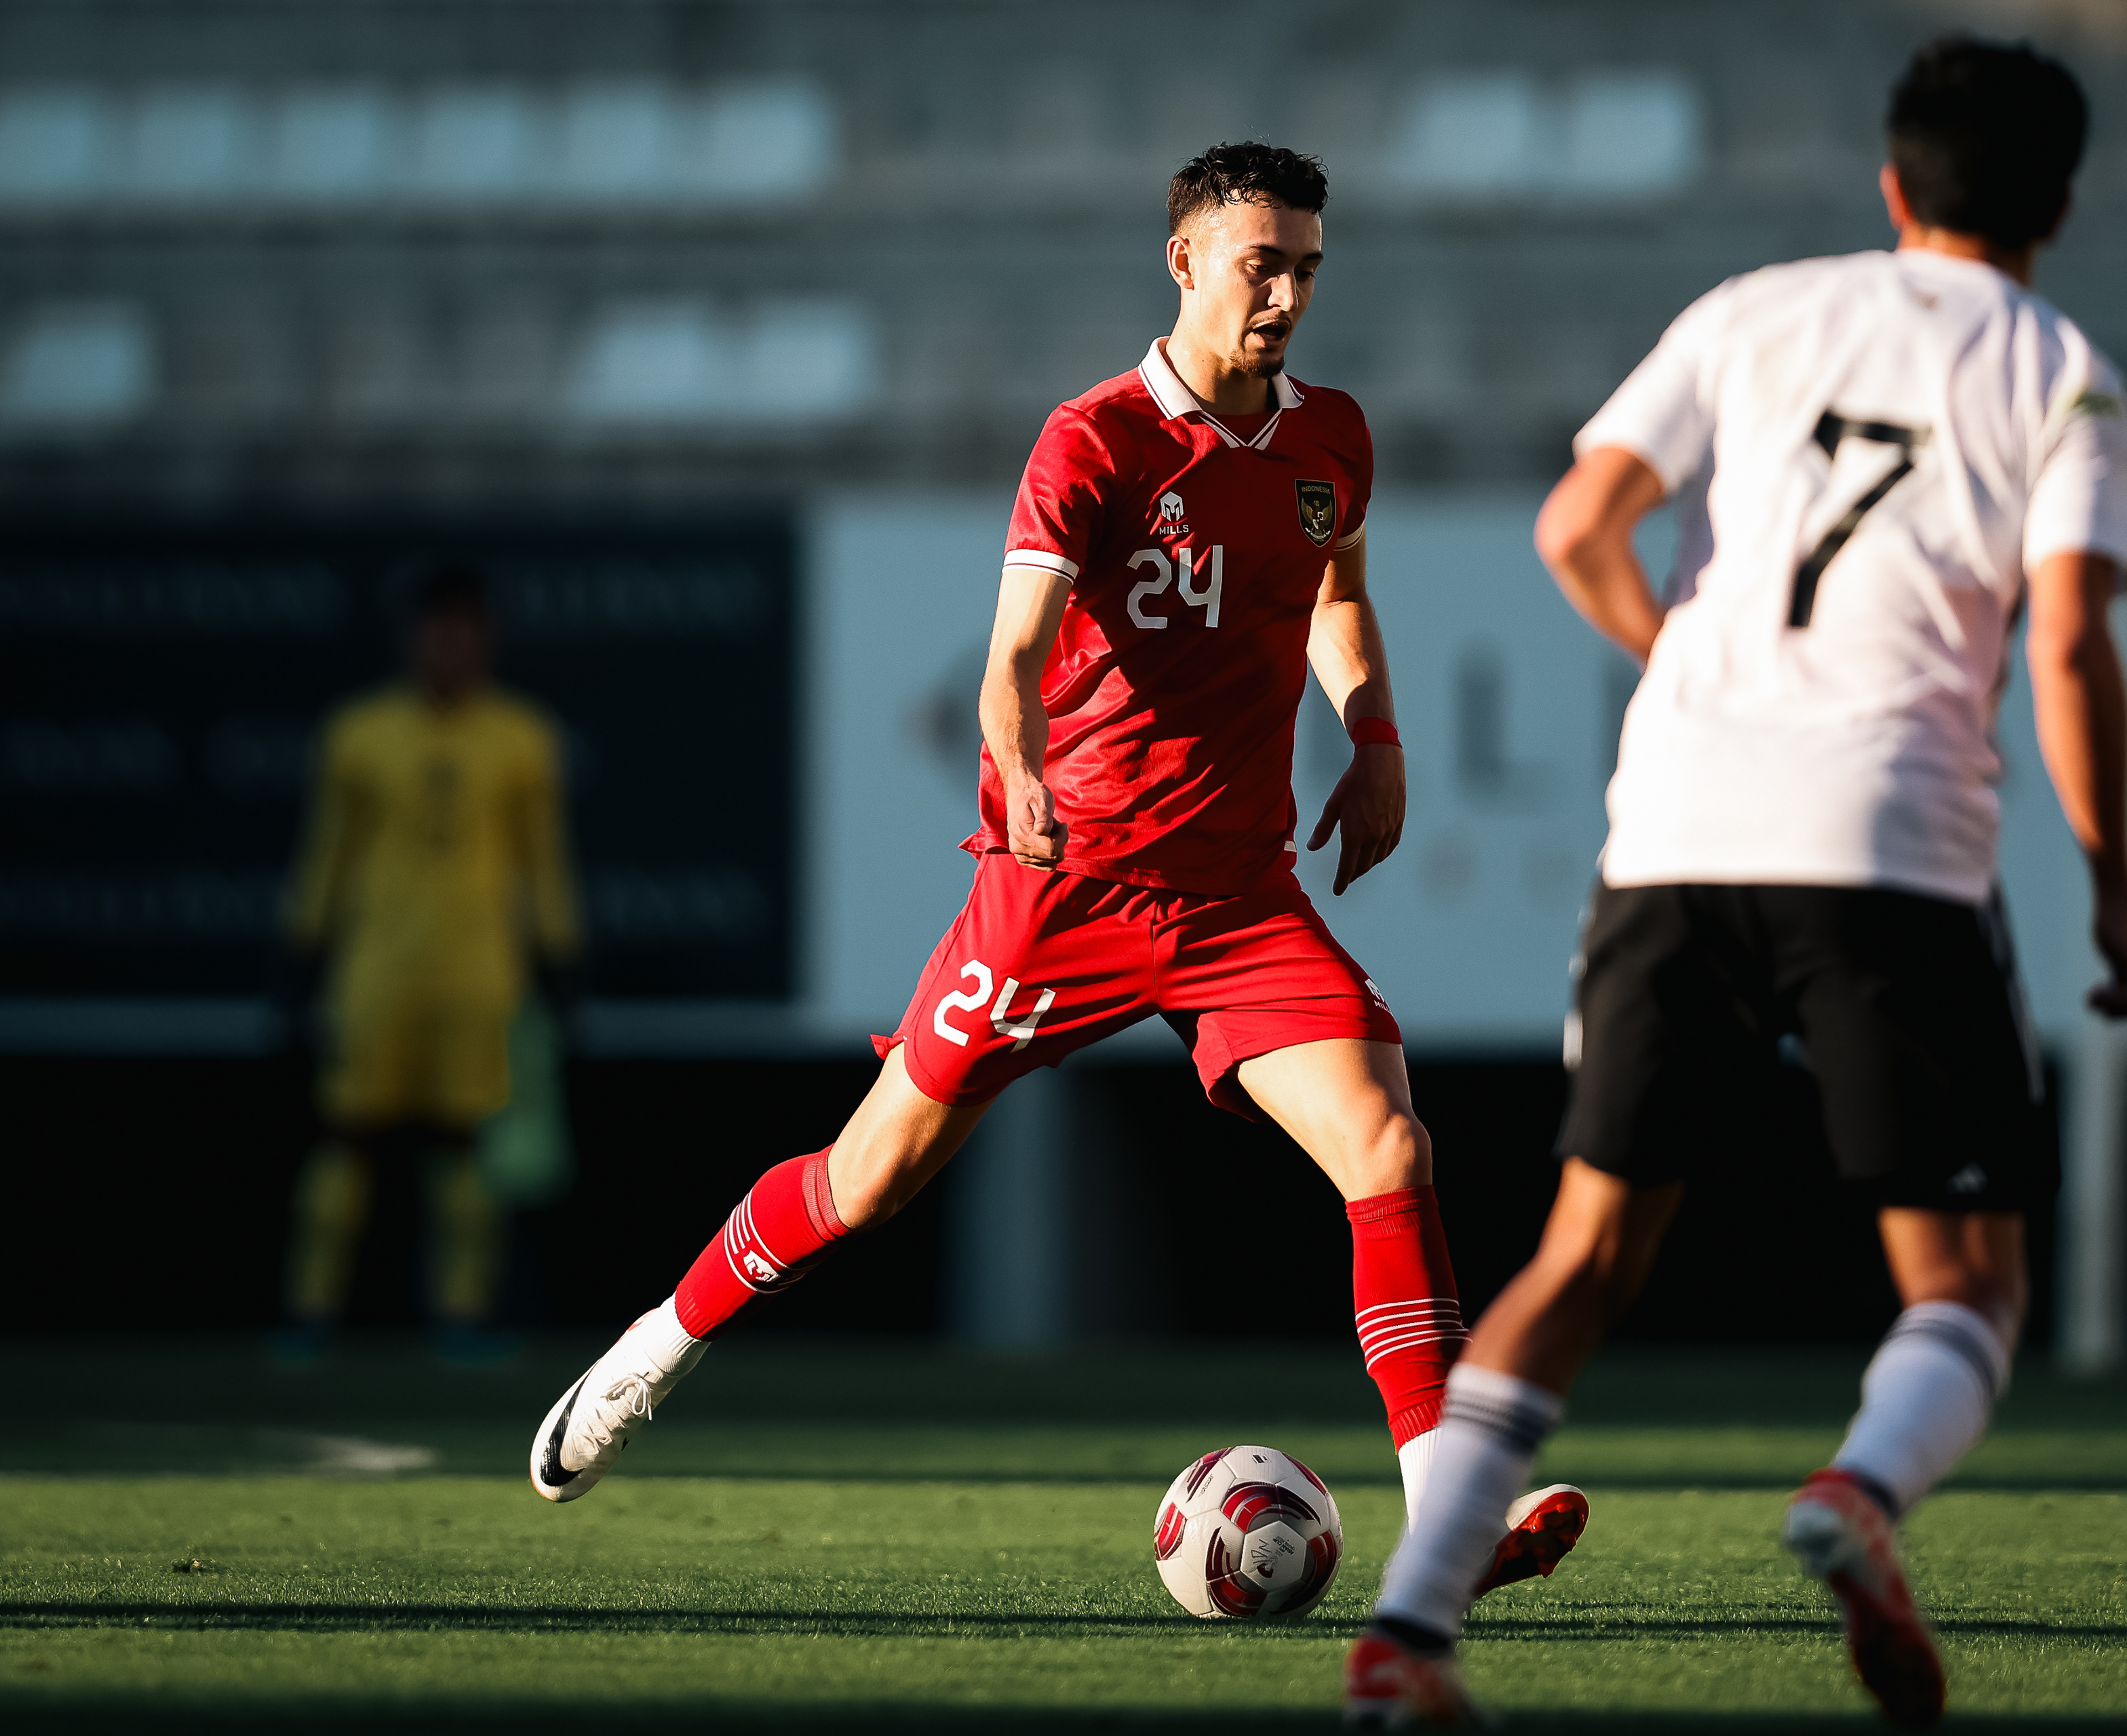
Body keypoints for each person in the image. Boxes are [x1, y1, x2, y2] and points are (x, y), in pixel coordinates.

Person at [525, 143, 1587, 1598]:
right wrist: (1018, 764)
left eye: (1306, 269)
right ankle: (652, 1348)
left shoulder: (1333, 438)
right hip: (1064, 887)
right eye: (1261, 264)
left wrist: (1378, 734)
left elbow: (1336, 591)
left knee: (1390, 1149)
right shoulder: (1095, 440)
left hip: (1238, 897)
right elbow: (1013, 655)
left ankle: (1451, 1516)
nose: (1285, 295)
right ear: (1186, 261)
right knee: (868, 1178)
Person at [1344, 37, 2127, 1730]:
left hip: (1675, 822)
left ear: (1891, 182)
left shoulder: (1754, 309)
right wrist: (2112, 887)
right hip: (1890, 840)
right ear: (2060, 203)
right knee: (1966, 1278)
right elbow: (2068, 641)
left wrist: (1681, 662)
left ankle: (1406, 1630)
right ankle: (1860, 1489)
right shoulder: (2063, 374)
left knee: (1584, 1248)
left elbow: (1576, 526)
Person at [277, 563, 582, 1363]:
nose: (449, 646)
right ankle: (309, 1310)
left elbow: (542, 860)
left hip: (478, 976)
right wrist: (303, 947)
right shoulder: (359, 734)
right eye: (436, 629)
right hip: (374, 972)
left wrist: (560, 953)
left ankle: (462, 1313)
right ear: (411, 638)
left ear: (486, 639)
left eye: (463, 630)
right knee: (346, 1136)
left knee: (464, 1143)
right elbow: (326, 853)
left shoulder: (521, 737)